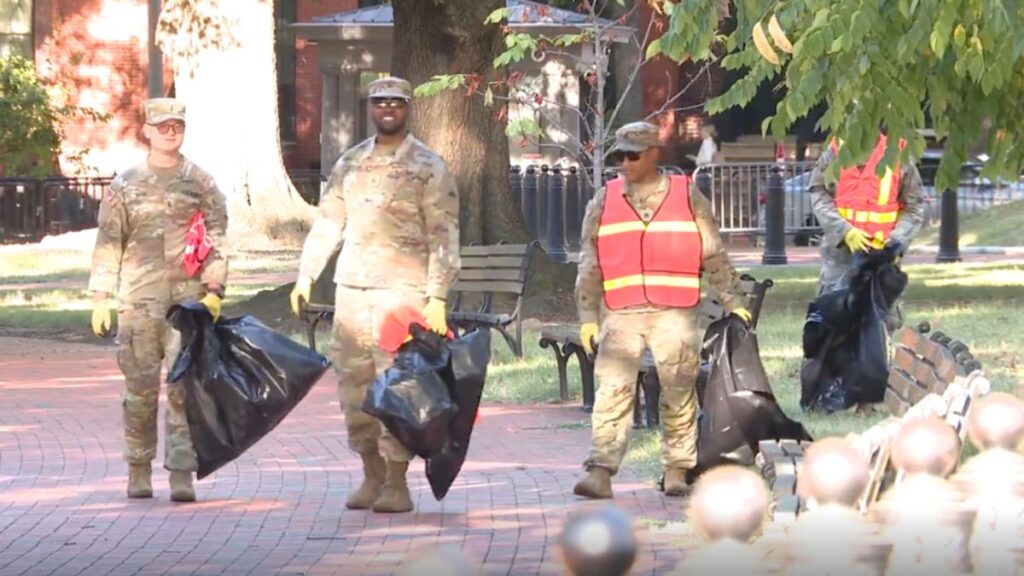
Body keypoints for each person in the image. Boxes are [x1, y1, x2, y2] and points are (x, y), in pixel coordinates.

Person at [289, 76, 460, 514]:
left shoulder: (428, 165)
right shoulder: (351, 162)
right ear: (370, 107)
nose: (387, 108)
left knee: (397, 387)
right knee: (354, 385)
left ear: (407, 108)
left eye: (396, 102)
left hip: (402, 294)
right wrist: (307, 275)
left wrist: (437, 296)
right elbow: (330, 221)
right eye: (380, 102)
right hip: (352, 292)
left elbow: (443, 234)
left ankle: (397, 482)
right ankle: (372, 473)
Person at [573, 121, 752, 499]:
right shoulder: (604, 200)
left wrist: (734, 301)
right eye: (619, 156)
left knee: (678, 391)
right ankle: (601, 471)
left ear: (655, 154)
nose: (624, 163)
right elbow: (590, 261)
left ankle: (677, 469)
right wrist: (587, 317)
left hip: (675, 312)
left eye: (633, 155)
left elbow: (713, 252)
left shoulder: (688, 196)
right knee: (613, 391)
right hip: (622, 313)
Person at [89, 98, 228, 502]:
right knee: (140, 391)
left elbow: (217, 237)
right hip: (138, 304)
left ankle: (182, 473)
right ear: (147, 130)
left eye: (177, 126)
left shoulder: (200, 182)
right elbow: (109, 241)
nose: (170, 132)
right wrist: (101, 296)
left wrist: (215, 289)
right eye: (163, 126)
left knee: (184, 390)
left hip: (186, 305)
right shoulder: (126, 185)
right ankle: (138, 469)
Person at [808, 130, 925, 329]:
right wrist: (844, 231)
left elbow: (913, 207)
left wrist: (895, 243)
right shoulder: (836, 151)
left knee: (882, 323)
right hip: (841, 252)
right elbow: (818, 192)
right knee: (832, 319)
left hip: (883, 255)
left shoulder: (897, 153)